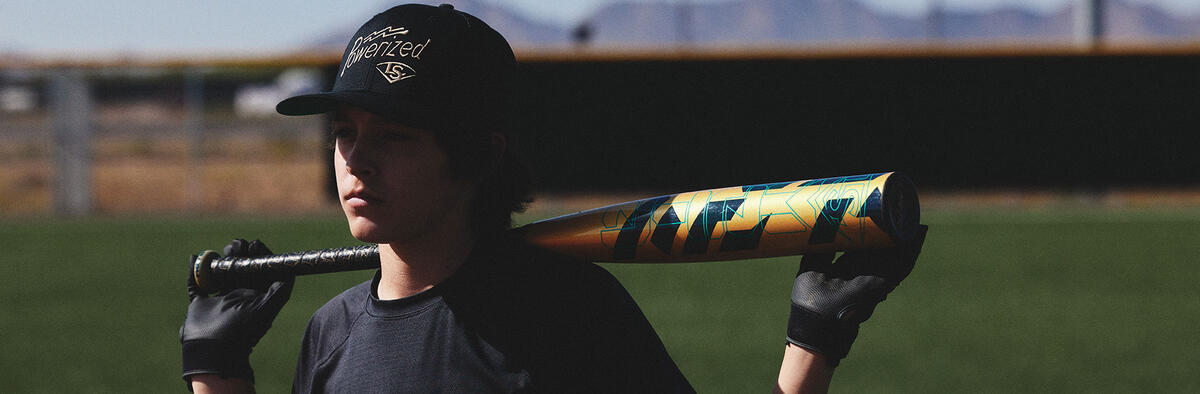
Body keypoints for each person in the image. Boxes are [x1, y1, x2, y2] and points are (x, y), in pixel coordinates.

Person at [179, 4, 928, 393]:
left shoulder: (569, 315)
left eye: (397, 137)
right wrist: (217, 370)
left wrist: (812, 343)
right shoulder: (332, 334)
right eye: (345, 132)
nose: (357, 161)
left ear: (476, 155)